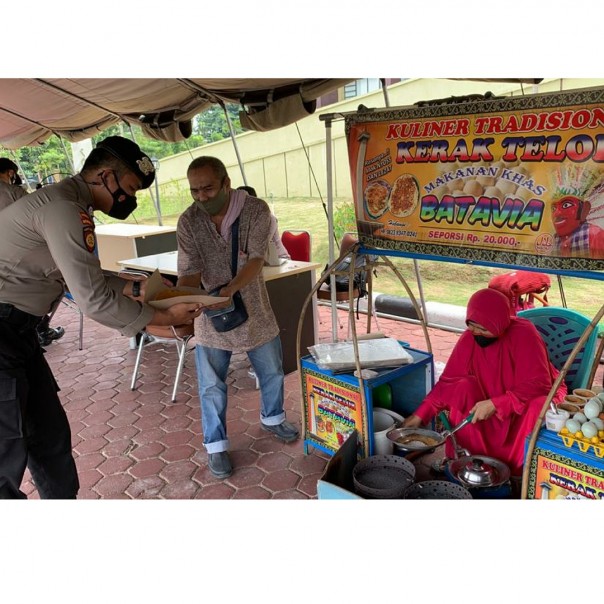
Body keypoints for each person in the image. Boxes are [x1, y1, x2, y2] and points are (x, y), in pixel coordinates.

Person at [0, 136, 204, 499]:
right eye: (128, 189)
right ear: (106, 176)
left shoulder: (66, 202)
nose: (130, 200)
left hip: (20, 337)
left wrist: (129, 285)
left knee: (49, 440)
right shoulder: (63, 208)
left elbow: (68, 272)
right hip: (2, 335)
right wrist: (161, 317)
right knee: (4, 460)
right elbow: (91, 299)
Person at [177, 157, 299, 479]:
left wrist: (230, 289)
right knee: (210, 385)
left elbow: (257, 259)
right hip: (210, 318)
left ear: (226, 183)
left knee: (272, 371)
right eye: (194, 191)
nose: (201, 197)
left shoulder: (256, 210)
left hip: (254, 310)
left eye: (207, 188)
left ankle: (273, 417)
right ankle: (215, 445)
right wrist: (181, 301)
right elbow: (189, 270)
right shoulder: (189, 221)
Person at [401, 288, 567, 477]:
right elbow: (449, 383)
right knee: (463, 388)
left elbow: (539, 384)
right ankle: (465, 462)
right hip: (486, 396)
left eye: (483, 328)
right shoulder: (469, 338)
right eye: (472, 325)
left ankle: (516, 473)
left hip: (523, 400)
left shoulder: (525, 334)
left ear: (500, 323)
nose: (476, 332)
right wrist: (420, 415)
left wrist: (498, 403)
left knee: (538, 405)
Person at [0, 159, 66, 345]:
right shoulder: (13, 192)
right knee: (53, 280)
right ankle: (42, 328)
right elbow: (38, 219)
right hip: (17, 254)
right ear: (11, 173)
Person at [237, 185, 291, 261]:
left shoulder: (268, 218)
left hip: (279, 260)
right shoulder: (240, 219)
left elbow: (259, 245)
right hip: (259, 262)